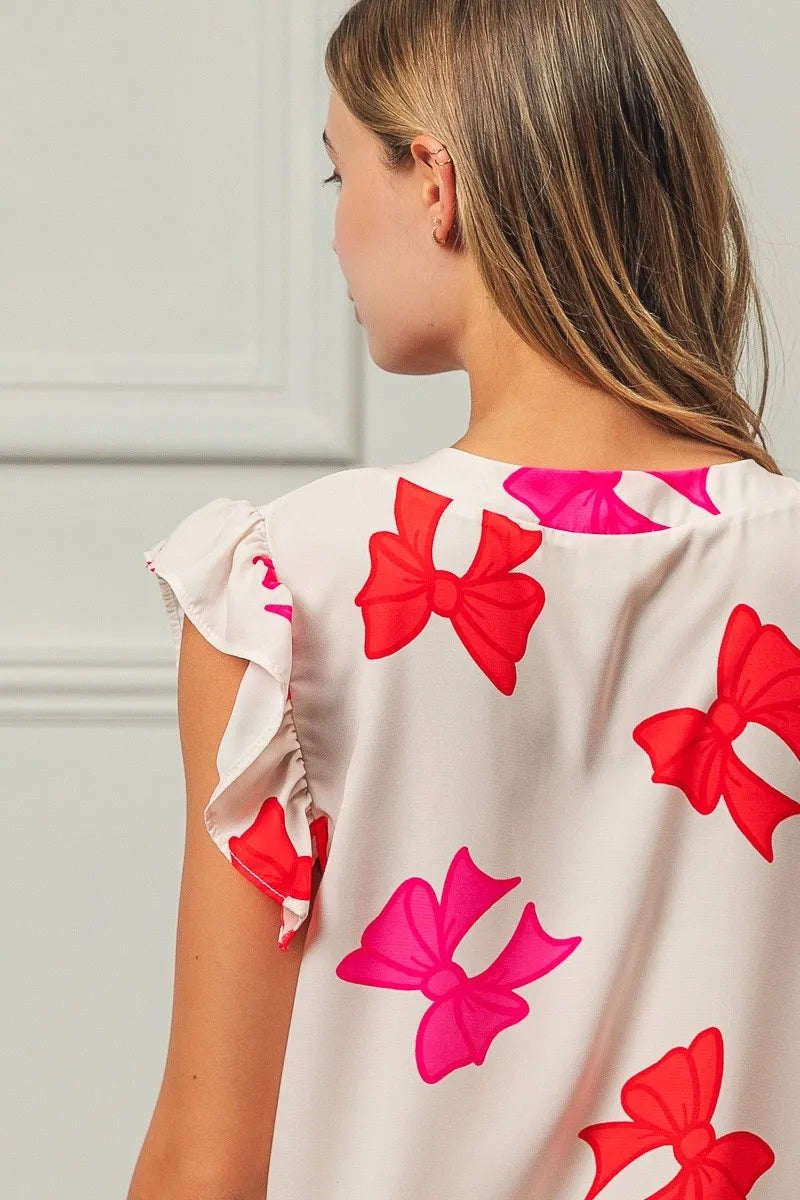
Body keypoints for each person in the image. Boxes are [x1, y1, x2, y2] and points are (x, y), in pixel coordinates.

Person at [127, 2, 800, 1198]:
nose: (336, 229)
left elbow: (207, 1161)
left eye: (340, 173)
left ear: (434, 183)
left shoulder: (291, 589)